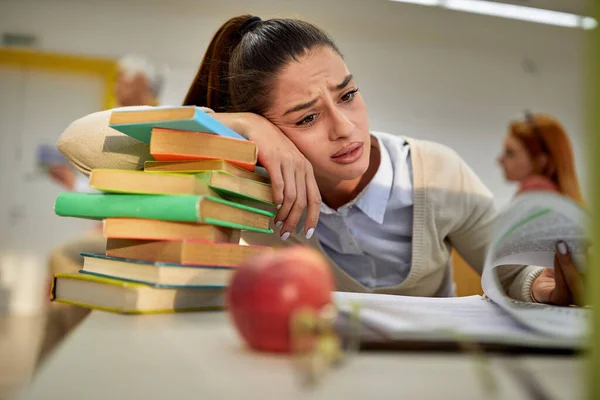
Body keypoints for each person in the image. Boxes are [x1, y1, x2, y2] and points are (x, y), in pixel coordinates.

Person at [56, 15, 581, 306]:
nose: (345, 127)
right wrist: (242, 125)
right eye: (305, 118)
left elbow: (504, 269)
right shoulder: (252, 181)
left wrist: (547, 286)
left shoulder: (436, 172)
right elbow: (80, 141)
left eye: (348, 95)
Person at [497, 112, 585, 304]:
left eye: (510, 153)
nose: (500, 160)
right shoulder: (566, 200)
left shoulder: (533, 189)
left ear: (541, 161)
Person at [48, 54, 163, 191]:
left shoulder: (161, 125)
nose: (115, 89)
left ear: (140, 82)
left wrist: (75, 184)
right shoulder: (120, 125)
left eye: (121, 81)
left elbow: (122, 184)